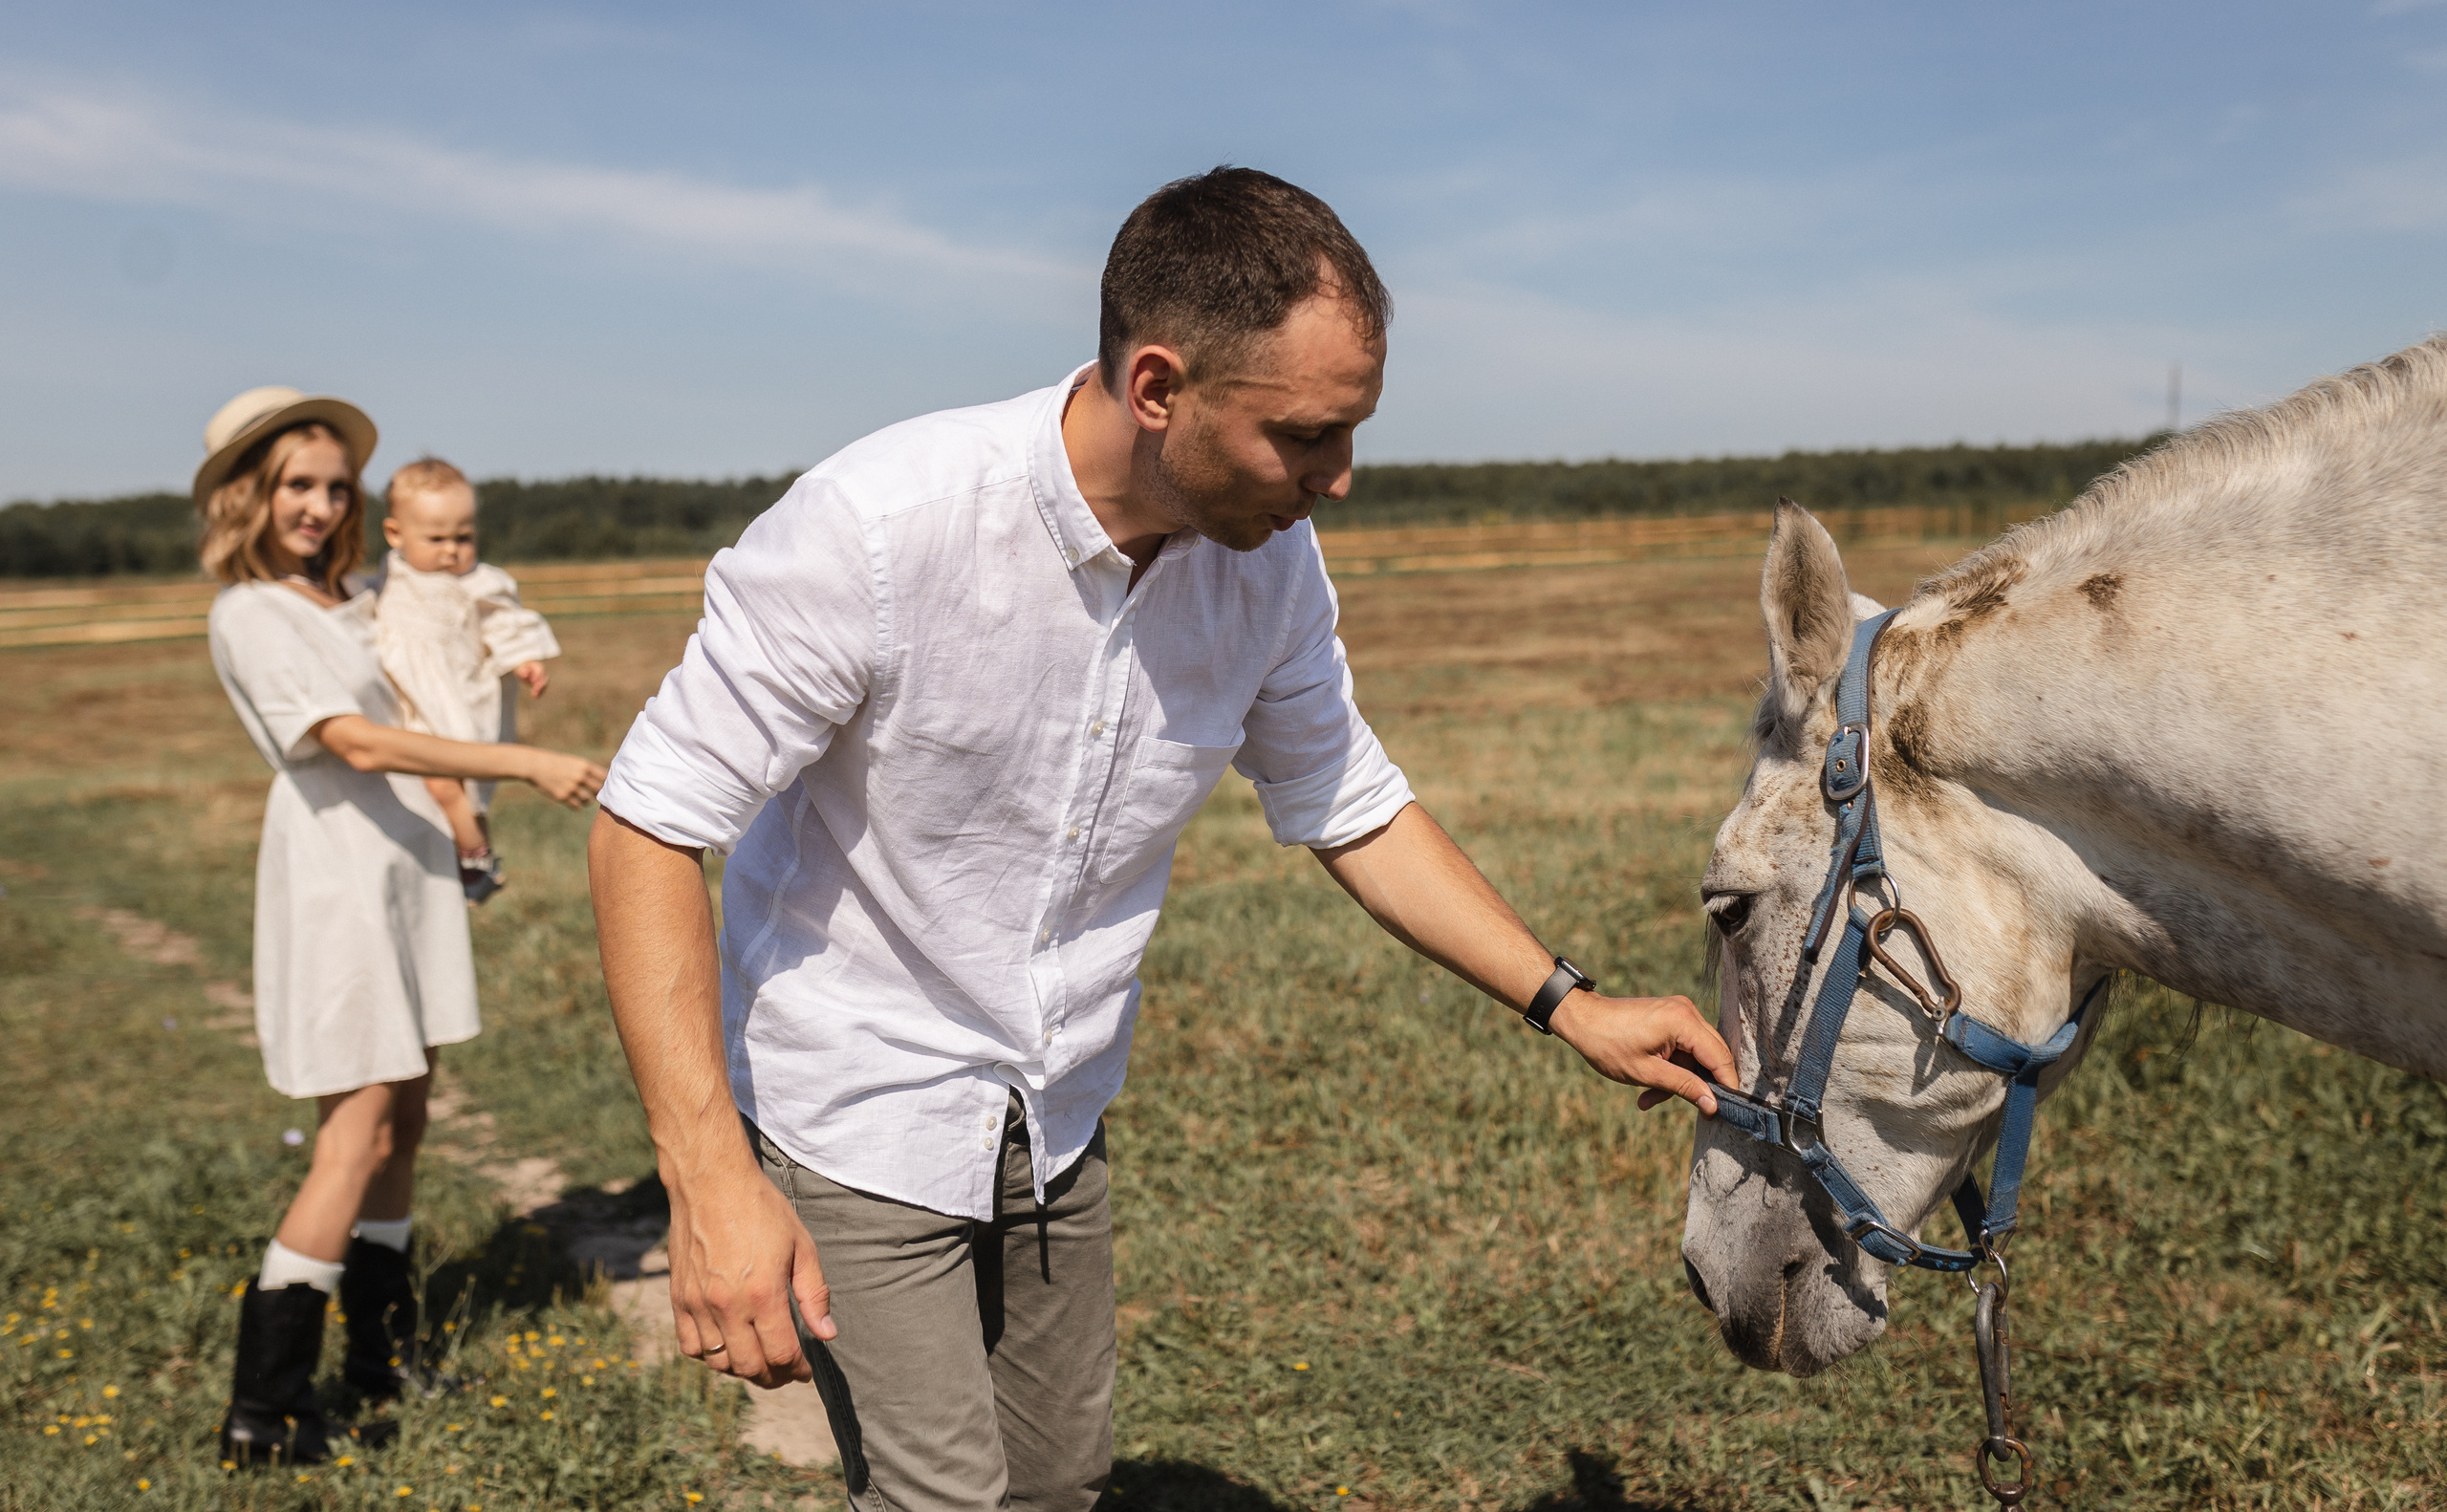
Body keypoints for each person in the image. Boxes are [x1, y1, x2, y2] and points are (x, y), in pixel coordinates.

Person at [588, 168, 1738, 1512]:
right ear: (1156, 386)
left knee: (1060, 1481)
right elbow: (648, 822)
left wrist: (1571, 1002)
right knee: (945, 1496)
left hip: (1054, 1106)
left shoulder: (1268, 562)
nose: (1340, 479)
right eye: (1305, 436)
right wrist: (710, 1176)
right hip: (857, 1101)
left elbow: (1349, 799)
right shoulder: (881, 529)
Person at [193, 387, 606, 1467]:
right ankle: (264, 1411)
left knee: (409, 1120)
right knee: (357, 1132)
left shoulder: (357, 598)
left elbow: (453, 612)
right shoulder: (249, 614)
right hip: (338, 885)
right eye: (297, 485)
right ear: (249, 496)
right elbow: (358, 744)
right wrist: (522, 761)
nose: (321, 505)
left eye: (336, 486)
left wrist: (509, 645)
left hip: (408, 872)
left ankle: (383, 1362)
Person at [375, 456, 563, 903]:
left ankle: (475, 857)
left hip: (455, 694)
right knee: (438, 782)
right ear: (395, 534)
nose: (451, 551)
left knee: (453, 781)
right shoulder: (389, 576)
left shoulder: (480, 582)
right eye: (436, 538)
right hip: (409, 695)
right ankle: (473, 853)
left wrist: (525, 660)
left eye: (464, 537)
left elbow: (505, 623)